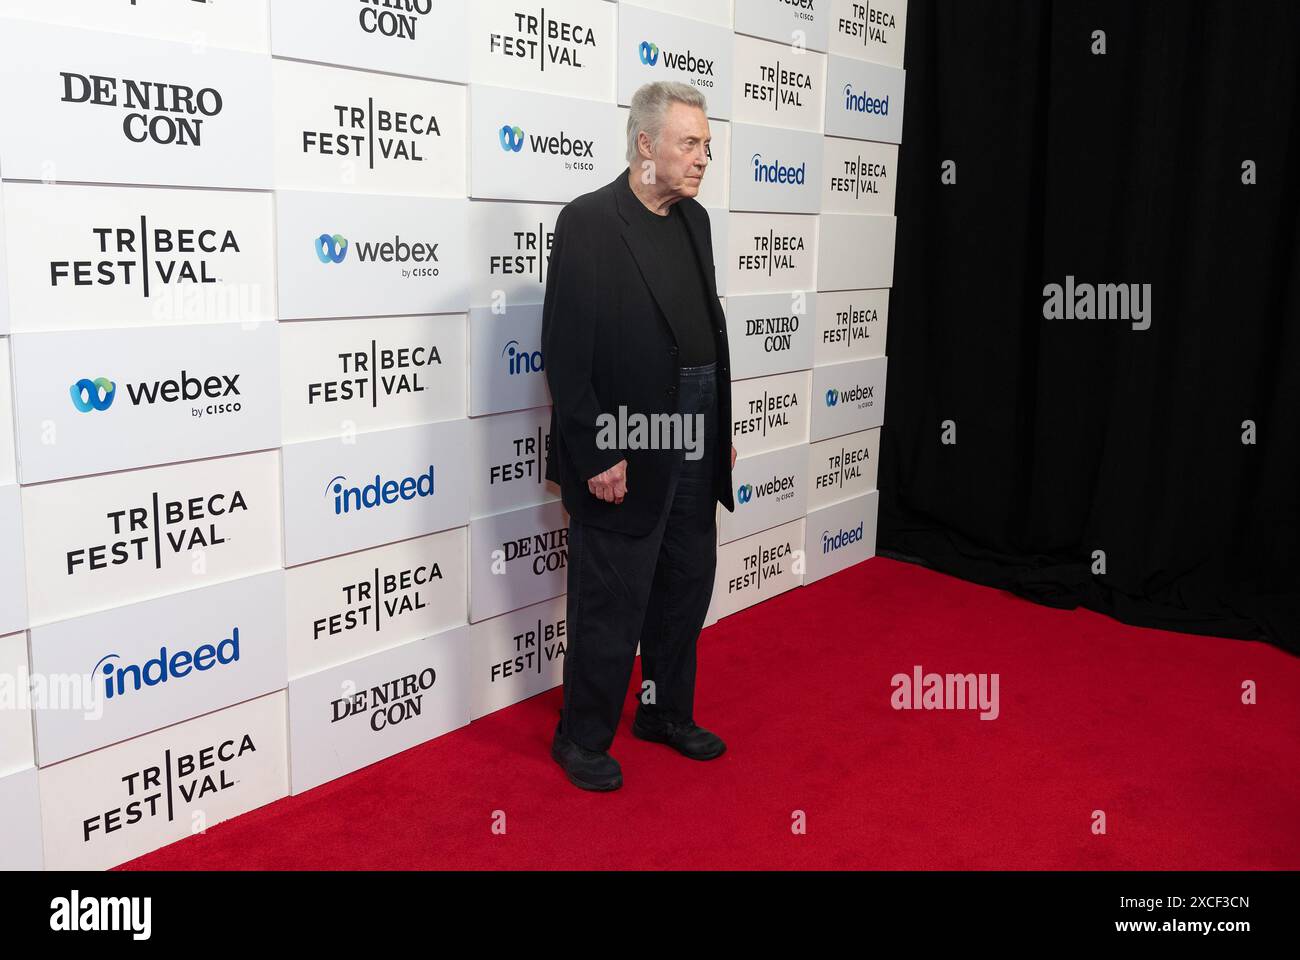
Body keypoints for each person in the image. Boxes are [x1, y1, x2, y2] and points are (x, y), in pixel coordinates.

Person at [541, 81, 738, 791]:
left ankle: (663, 712)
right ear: (646, 145)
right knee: (611, 595)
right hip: (625, 436)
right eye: (690, 144)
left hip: (695, 426)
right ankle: (582, 737)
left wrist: (718, 432)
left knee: (687, 582)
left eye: (707, 147)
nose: (702, 159)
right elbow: (565, 352)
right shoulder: (590, 222)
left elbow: (703, 337)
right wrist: (596, 449)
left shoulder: (696, 222)